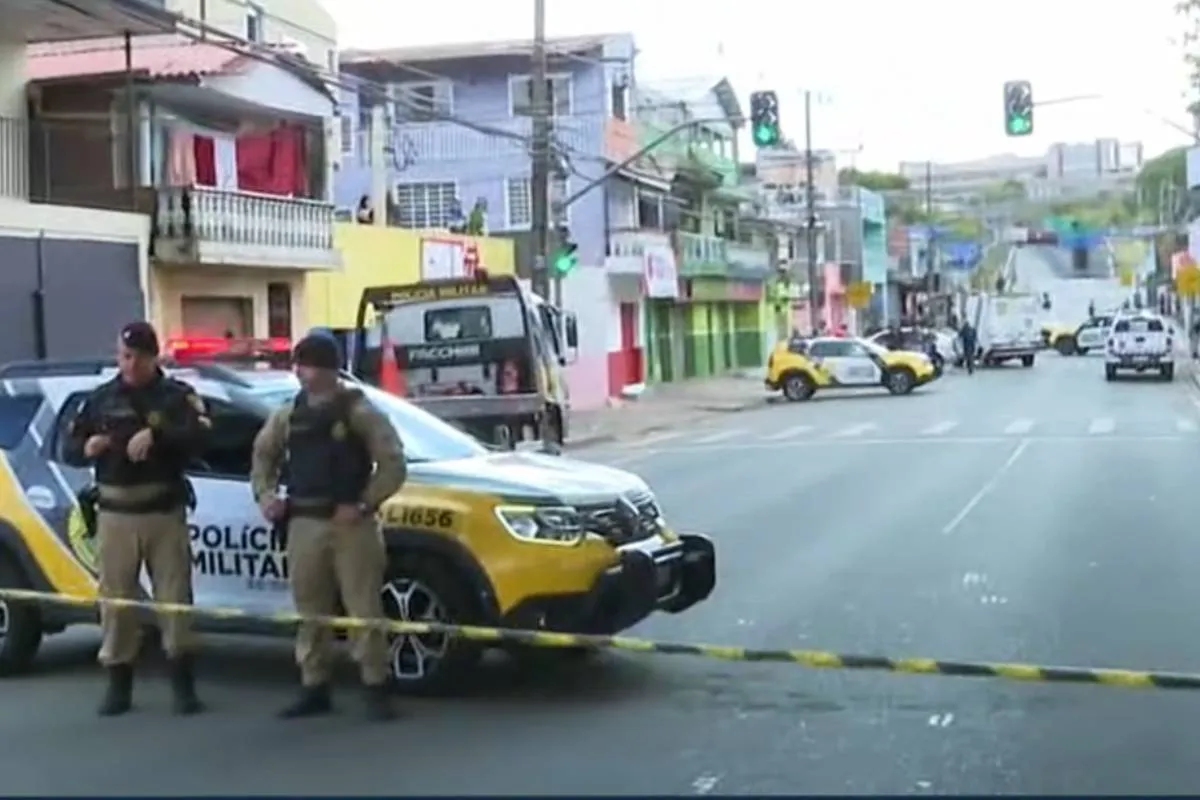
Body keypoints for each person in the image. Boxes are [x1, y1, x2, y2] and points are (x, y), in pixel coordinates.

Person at [250, 333, 407, 721]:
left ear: (326, 367)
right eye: (298, 364)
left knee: (363, 609)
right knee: (310, 609)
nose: (299, 372)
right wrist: (266, 496)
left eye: (306, 364)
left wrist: (365, 502)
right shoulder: (289, 414)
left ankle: (375, 686)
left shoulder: (358, 411)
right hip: (304, 521)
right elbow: (263, 455)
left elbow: (393, 464)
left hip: (351, 524)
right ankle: (314, 684)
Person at [65, 322, 210, 717]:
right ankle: (118, 684)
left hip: (163, 510)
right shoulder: (101, 399)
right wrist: (87, 446)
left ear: (151, 358)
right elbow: (69, 447)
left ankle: (183, 685)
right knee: (116, 601)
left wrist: (157, 436)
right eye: (122, 356)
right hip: (116, 512)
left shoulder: (176, 397)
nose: (126, 363)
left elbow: (202, 436)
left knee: (175, 599)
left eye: (133, 357)